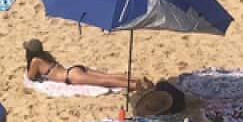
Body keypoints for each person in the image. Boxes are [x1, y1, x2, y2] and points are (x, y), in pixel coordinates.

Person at [23, 39, 153, 90]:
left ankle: (135, 85)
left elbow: (30, 77)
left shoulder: (35, 61)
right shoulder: (46, 55)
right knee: (108, 76)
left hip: (70, 76)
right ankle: (137, 78)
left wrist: (28, 64)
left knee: (104, 81)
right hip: (74, 68)